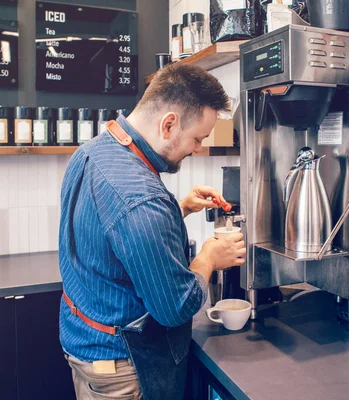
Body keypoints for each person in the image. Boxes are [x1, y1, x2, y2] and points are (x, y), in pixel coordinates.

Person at [58, 63, 246, 400]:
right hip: (122, 367)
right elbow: (174, 307)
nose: (198, 148)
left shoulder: (92, 150)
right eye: (197, 138)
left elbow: (115, 229)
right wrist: (208, 258)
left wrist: (179, 208)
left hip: (83, 343)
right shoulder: (143, 200)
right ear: (169, 123)